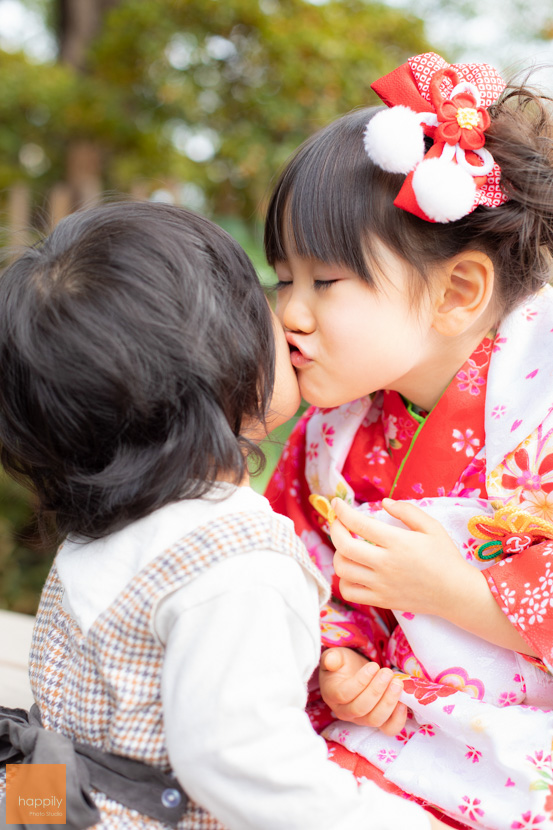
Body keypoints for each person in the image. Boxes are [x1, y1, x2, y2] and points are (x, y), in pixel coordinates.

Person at [0, 202, 446, 830]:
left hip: (45, 806)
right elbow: (240, 762)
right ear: (217, 359)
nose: (289, 315)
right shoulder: (236, 559)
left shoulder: (107, 525)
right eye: (267, 295)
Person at [264, 51, 553, 829]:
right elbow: (298, 574)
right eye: (281, 279)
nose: (290, 314)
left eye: (322, 282)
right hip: (380, 735)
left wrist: (456, 594)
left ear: (458, 292)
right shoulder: (335, 426)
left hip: (519, 758)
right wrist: (339, 661)